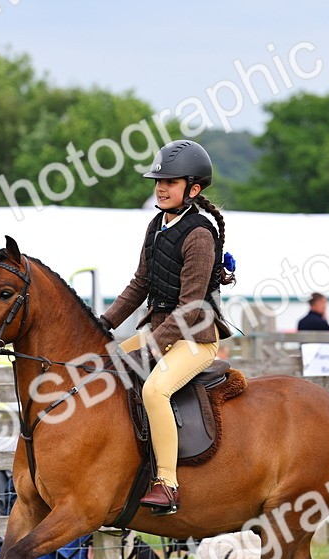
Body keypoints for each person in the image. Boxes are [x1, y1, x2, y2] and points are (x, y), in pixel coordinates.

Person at [99, 139, 234, 515]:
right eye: (158, 181)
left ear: (194, 189)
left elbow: (190, 309)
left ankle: (167, 484)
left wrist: (151, 347)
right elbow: (140, 283)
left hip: (196, 339)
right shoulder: (156, 224)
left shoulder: (200, 235)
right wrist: (102, 323)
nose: (161, 188)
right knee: (103, 365)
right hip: (159, 333)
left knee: (155, 391)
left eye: (170, 182)